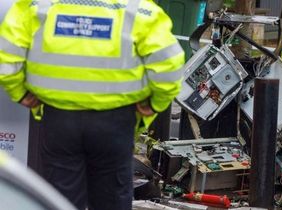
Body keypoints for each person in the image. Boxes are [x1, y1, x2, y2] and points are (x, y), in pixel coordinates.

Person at [0, 0, 184, 209]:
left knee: (61, 200)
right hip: (115, 123)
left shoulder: (38, 5)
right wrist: (154, 104)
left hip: (59, 120)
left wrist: (20, 93)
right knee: (111, 199)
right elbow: (170, 66)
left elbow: (6, 55)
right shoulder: (139, 9)